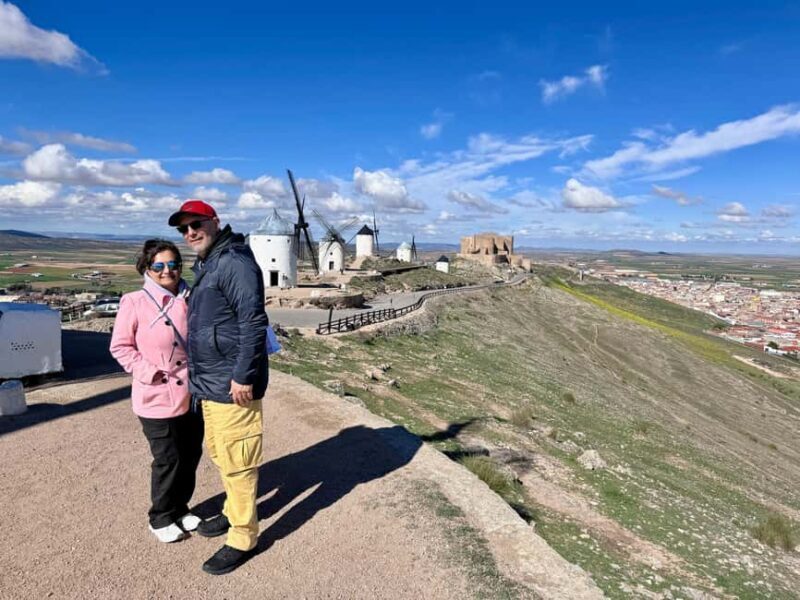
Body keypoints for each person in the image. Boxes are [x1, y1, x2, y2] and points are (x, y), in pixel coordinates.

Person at [168, 199, 269, 575]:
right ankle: (231, 512)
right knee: (222, 453)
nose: (189, 232)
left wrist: (244, 375)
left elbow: (253, 322)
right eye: (183, 229)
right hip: (211, 382)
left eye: (196, 224)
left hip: (231, 384)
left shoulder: (235, 263)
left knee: (239, 461)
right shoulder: (210, 263)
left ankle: (244, 537)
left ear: (215, 222)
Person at [110, 239, 204, 543]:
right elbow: (120, 347)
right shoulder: (134, 302)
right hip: (156, 395)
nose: (168, 271)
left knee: (190, 454)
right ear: (147, 269)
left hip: (191, 393)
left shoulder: (192, 298)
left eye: (174, 265)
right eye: (159, 266)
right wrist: (148, 371)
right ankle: (160, 516)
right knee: (168, 458)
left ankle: (180, 508)